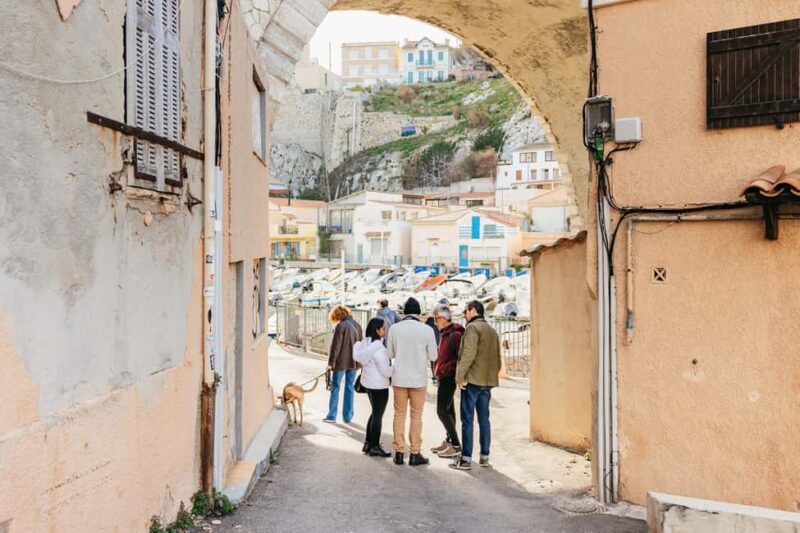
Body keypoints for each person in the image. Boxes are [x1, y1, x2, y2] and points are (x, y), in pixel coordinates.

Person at [386, 297, 438, 466]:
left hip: (399, 378)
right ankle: (415, 453)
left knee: (399, 415)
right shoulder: (427, 330)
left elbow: (390, 354)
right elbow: (433, 356)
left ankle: (399, 452)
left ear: (404, 312)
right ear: (419, 313)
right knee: (416, 416)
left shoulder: (394, 328)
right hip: (418, 379)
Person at [450, 300, 501, 471]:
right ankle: (484, 456)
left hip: (472, 381)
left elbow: (468, 354)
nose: (464, 314)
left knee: (467, 420)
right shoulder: (492, 331)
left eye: (465, 311)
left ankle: (465, 459)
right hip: (487, 382)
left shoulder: (473, 328)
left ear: (473, 311)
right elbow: (498, 359)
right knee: (484, 419)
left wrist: (460, 376)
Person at [353, 318, 394, 457]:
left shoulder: (365, 344)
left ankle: (368, 443)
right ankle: (375, 446)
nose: (384, 331)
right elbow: (385, 371)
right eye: (383, 329)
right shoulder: (379, 348)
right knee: (378, 416)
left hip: (368, 384)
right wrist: (395, 367)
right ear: (377, 330)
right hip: (379, 386)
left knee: (374, 413)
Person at [430, 304, 464, 459]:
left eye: (436, 319)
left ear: (443, 318)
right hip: (444, 376)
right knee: (449, 410)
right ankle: (450, 441)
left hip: (448, 376)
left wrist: (443, 369)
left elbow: (459, 358)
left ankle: (455, 444)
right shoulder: (445, 333)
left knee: (442, 410)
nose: (435, 323)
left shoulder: (454, 335)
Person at [323, 304, 363, 424]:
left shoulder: (341, 326)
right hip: (354, 362)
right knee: (349, 387)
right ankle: (347, 417)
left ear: (337, 315)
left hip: (341, 362)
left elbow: (335, 347)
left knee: (335, 387)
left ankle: (332, 416)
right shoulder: (357, 325)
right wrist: (360, 363)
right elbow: (361, 344)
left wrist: (330, 363)